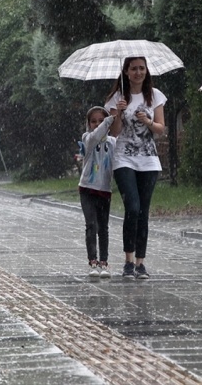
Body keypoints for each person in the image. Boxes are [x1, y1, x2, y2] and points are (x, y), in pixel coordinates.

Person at [104, 56, 166, 279]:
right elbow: (114, 132)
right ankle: (128, 261)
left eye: (142, 68)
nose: (138, 72)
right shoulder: (116, 98)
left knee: (143, 211)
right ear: (127, 72)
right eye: (134, 69)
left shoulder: (155, 96)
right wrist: (118, 113)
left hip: (148, 160)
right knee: (132, 207)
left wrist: (148, 121)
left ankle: (141, 263)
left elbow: (160, 129)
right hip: (124, 159)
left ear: (146, 71)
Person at [78, 106, 117, 278]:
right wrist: (109, 120)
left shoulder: (112, 143)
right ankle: (92, 260)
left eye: (101, 120)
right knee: (91, 225)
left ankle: (104, 262)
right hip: (87, 188)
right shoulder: (87, 138)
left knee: (103, 228)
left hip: (104, 190)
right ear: (88, 124)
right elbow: (95, 136)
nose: (97, 124)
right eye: (93, 121)